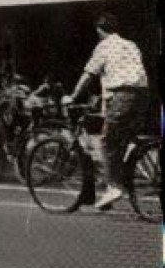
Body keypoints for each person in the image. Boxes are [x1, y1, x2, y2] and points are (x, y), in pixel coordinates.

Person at [65, 13, 152, 210]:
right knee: (120, 139)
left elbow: (88, 75)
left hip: (122, 96)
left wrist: (73, 96)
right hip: (142, 95)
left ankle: (113, 186)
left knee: (105, 141)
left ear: (100, 30)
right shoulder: (131, 44)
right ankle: (123, 173)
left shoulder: (104, 46)